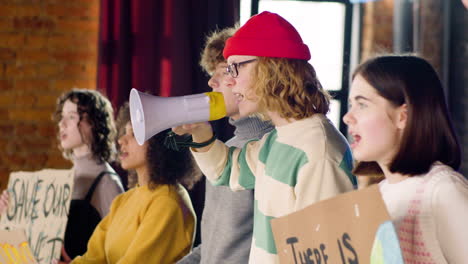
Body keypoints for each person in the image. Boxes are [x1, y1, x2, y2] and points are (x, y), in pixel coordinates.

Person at [173, 11, 356, 263]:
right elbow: (228, 170)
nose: (231, 82)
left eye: (234, 68)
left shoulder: (318, 151)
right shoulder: (277, 140)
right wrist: (201, 135)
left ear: (268, 67)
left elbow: (328, 256)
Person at [343, 54, 468, 264]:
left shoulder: (442, 191)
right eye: (350, 104)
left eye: (362, 104)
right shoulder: (380, 194)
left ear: (403, 116)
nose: (348, 117)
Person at [177, 27, 274, 264]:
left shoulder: (273, 148)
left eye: (224, 71)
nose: (212, 81)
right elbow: (212, 247)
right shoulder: (226, 149)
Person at [0, 88, 124, 262]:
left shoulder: (107, 183)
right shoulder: (59, 182)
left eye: (72, 117)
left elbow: (119, 254)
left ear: (94, 123)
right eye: (62, 116)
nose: (62, 124)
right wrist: (8, 214)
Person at [70, 103, 197, 264]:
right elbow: (92, 259)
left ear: (159, 143)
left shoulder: (167, 202)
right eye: (125, 133)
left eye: (134, 134)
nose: (121, 140)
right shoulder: (123, 201)